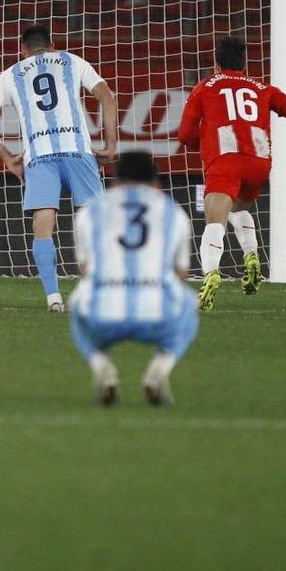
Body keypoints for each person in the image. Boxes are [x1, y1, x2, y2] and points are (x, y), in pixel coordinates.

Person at [0, 24, 119, 312]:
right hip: (78, 150)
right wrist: (111, 144)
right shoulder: (72, 60)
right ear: (53, 45)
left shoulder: (11, 73)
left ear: (22, 49)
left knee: (42, 226)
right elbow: (106, 96)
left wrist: (7, 156)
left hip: (39, 155)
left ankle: (53, 297)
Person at [175, 36, 286, 310]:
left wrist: (204, 142)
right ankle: (252, 254)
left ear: (216, 65)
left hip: (226, 161)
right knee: (235, 206)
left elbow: (184, 135)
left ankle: (210, 275)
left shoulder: (204, 86)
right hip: (259, 163)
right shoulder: (262, 88)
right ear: (243, 65)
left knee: (214, 217)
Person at [68, 151, 198, 406]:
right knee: (190, 302)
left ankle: (102, 367)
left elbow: (86, 268)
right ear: (156, 184)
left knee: (75, 301)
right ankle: (159, 370)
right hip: (158, 316)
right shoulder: (174, 212)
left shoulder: (90, 211)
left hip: (101, 317)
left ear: (115, 183)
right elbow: (181, 273)